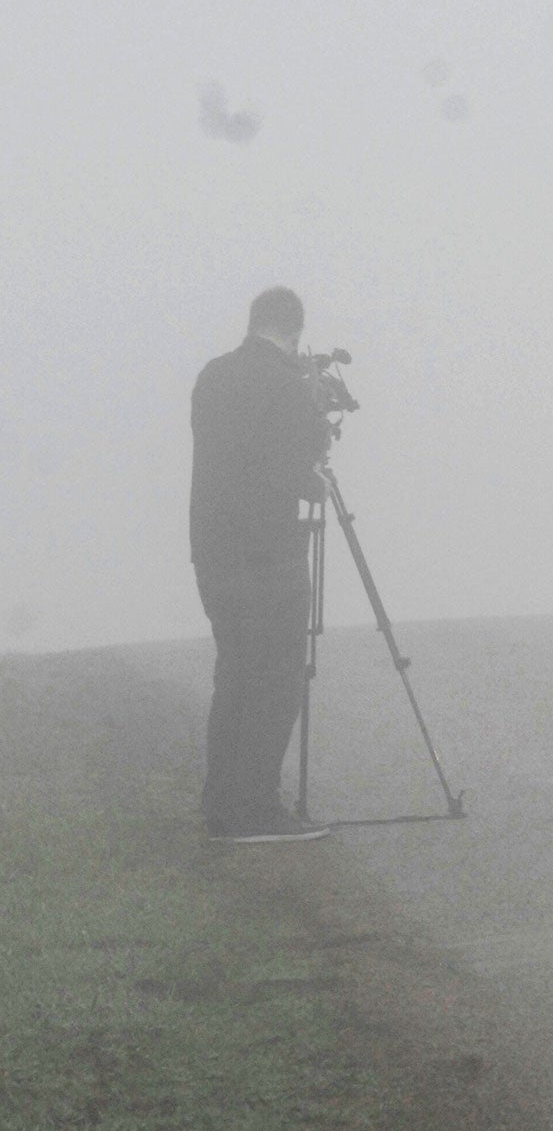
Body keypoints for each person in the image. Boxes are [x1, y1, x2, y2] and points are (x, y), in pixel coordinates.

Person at [190, 286, 333, 841]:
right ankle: (253, 810)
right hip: (268, 553)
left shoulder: (212, 376)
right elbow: (301, 470)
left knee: (235, 673)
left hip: (213, 549)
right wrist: (315, 416)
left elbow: (236, 454)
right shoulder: (287, 387)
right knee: (276, 678)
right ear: (294, 331)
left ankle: (223, 804)